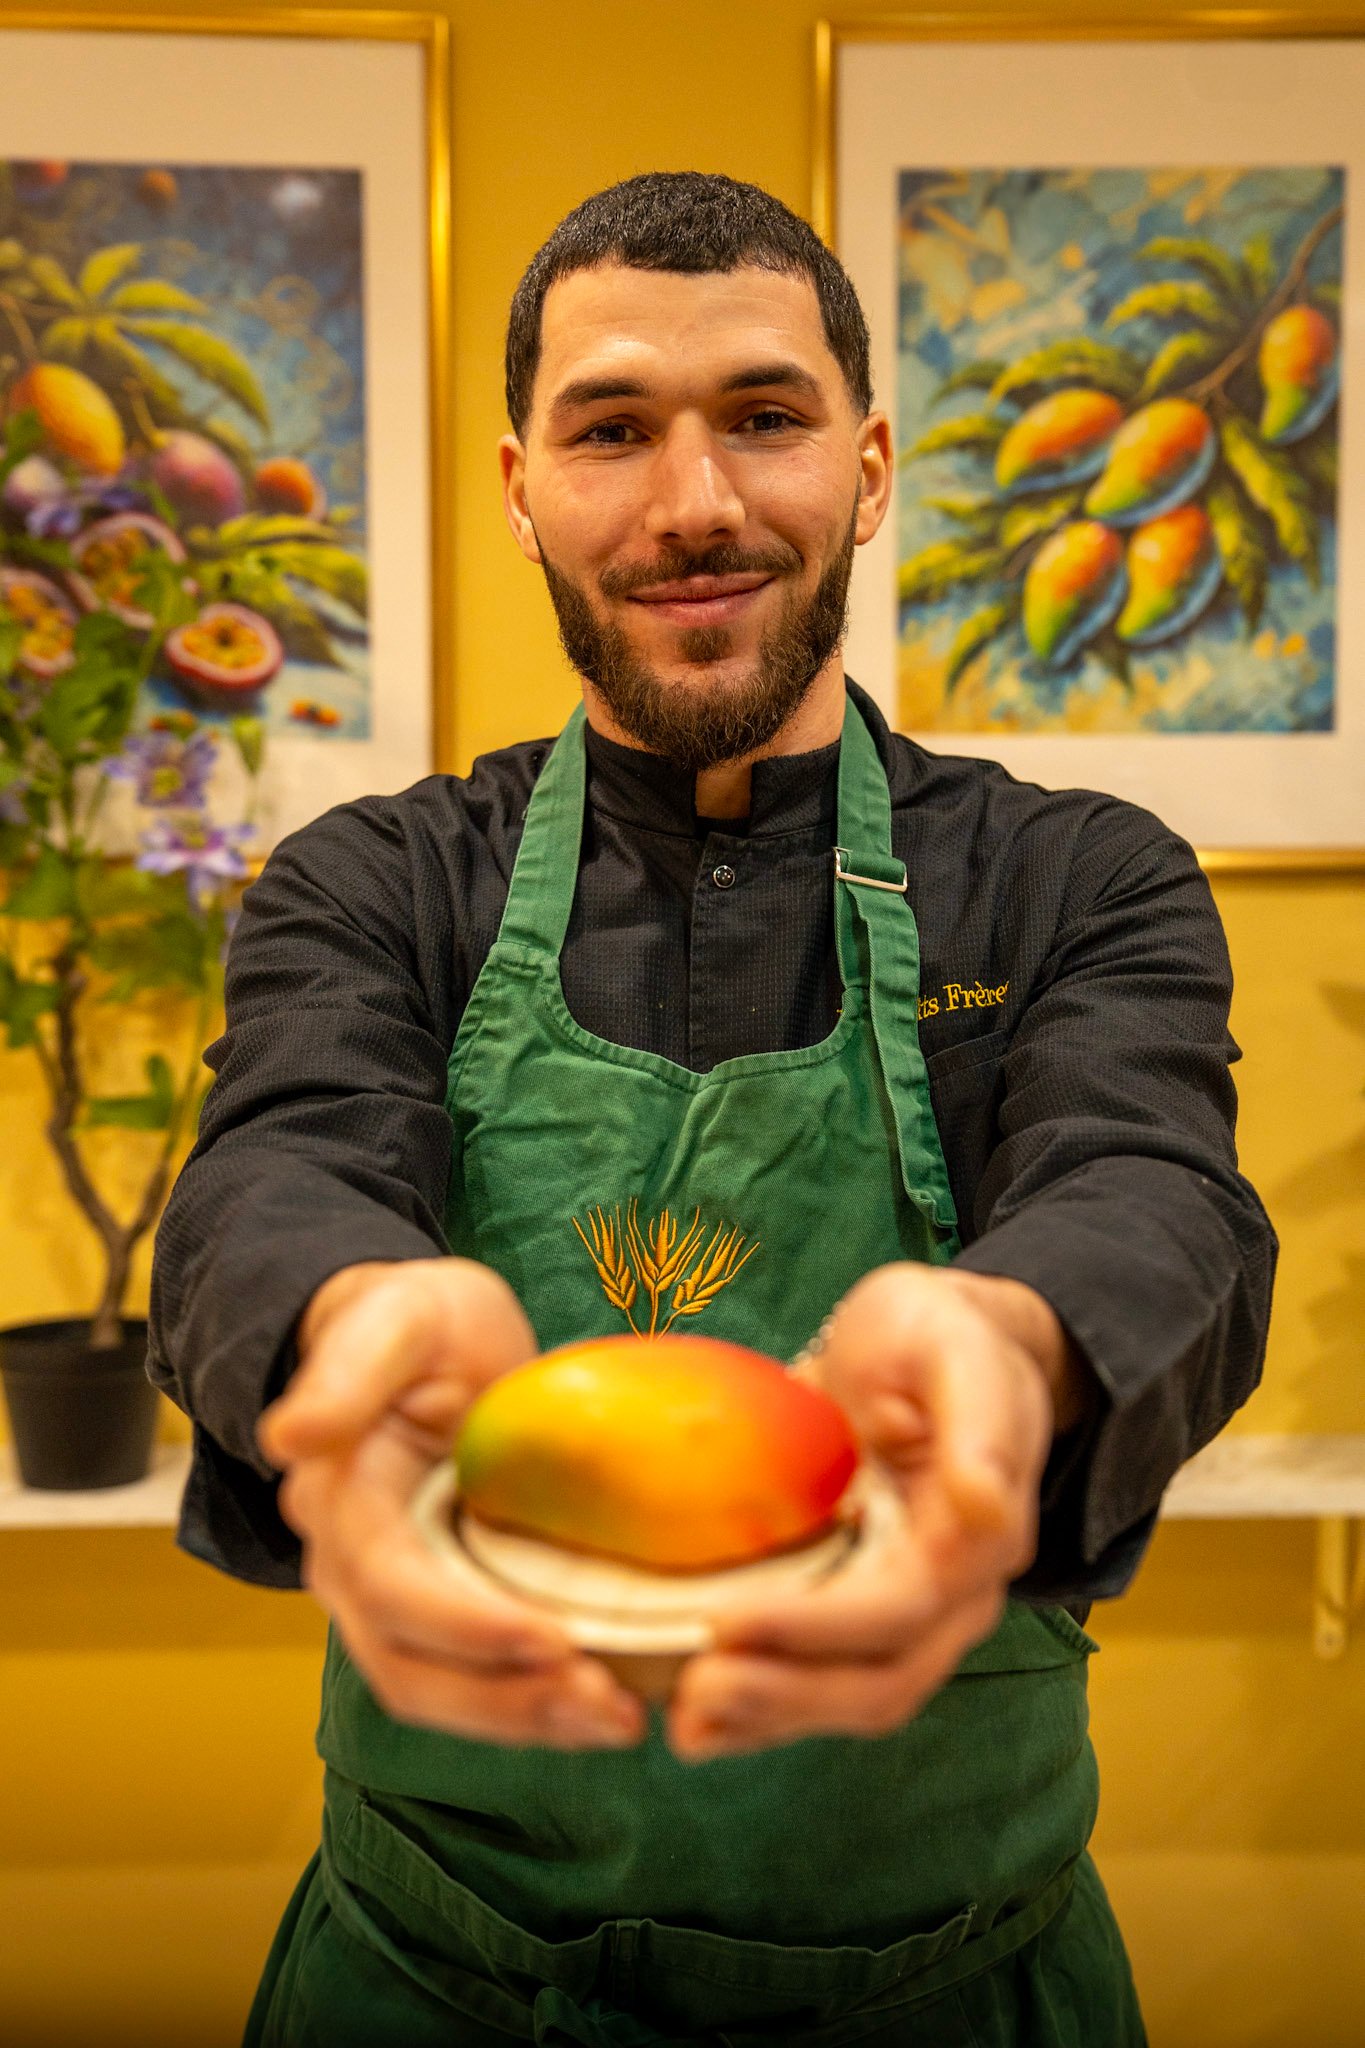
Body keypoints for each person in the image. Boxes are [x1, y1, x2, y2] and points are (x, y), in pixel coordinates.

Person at [148, 172, 1276, 2046]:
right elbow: (277, 1164)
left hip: (961, 1994)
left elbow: (1152, 1188)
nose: (694, 502)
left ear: (868, 465)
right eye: (612, 430)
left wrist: (1013, 1344)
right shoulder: (376, 882)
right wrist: (348, 1315)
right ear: (521, 487)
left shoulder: (1079, 879)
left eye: (763, 416)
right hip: (427, 1988)